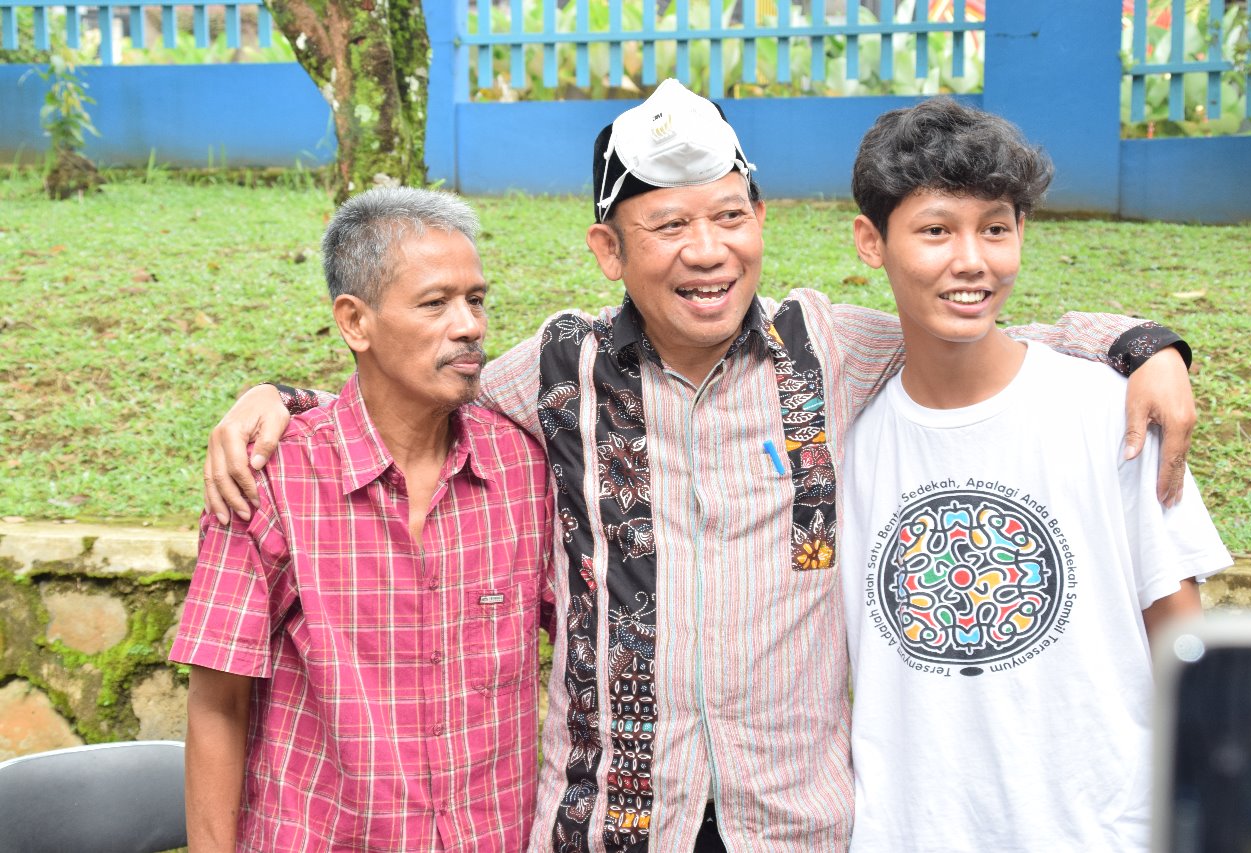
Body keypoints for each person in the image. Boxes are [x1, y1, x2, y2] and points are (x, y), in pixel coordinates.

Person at [202, 80, 1198, 852]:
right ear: (608, 249)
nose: (705, 251)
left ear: (760, 223)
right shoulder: (555, 370)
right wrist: (277, 403)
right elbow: (421, 378)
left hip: (796, 824)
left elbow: (977, 322)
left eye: (728, 217)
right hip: (615, 822)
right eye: (668, 227)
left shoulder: (831, 348)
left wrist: (1138, 342)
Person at [839, 98, 1232, 852]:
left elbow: (1183, 641)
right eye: (935, 230)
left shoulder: (1110, 414)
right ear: (871, 241)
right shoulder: (849, 441)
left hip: (1105, 828)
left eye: (996, 227)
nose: (972, 260)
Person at [171, 187, 553, 851]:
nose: (469, 325)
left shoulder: (522, 467)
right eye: (435, 303)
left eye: (477, 299)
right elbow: (216, 702)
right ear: (355, 321)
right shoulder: (271, 477)